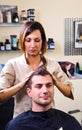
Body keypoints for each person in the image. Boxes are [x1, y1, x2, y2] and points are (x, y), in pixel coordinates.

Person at [0, 21, 74, 117]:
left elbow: (69, 93)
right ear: (23, 41)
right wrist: (20, 85)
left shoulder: (52, 64)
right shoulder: (13, 65)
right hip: (22, 121)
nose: (33, 45)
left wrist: (56, 82)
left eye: (37, 40)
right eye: (28, 40)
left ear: (43, 41)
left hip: (48, 119)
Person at [5, 66, 82, 130]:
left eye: (49, 85)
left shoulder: (69, 122)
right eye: (39, 86)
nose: (45, 90)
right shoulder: (16, 126)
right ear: (29, 92)